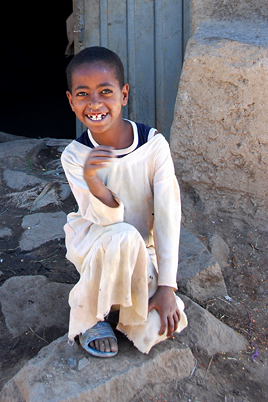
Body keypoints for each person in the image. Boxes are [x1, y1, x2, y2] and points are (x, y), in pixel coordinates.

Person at [61, 46, 187, 357]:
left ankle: (125, 315)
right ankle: (89, 316)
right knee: (123, 235)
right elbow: (103, 220)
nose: (95, 103)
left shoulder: (154, 146)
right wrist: (93, 181)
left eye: (106, 91)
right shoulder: (75, 157)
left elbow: (169, 215)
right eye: (83, 94)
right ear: (71, 101)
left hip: (143, 250)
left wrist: (167, 287)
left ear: (124, 94)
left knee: (161, 324)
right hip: (98, 244)